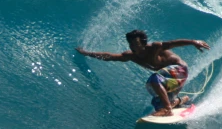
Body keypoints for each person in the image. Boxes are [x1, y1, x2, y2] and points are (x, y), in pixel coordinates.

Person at [76, 30, 210, 116]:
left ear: (144, 43)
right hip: (169, 80)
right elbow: (110, 56)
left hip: (180, 71)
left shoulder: (155, 47)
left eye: (136, 44)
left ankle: (168, 108)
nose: (133, 47)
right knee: (157, 102)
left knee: (154, 79)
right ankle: (181, 101)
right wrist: (87, 53)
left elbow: (173, 43)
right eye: (130, 44)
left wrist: (193, 42)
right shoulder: (131, 55)